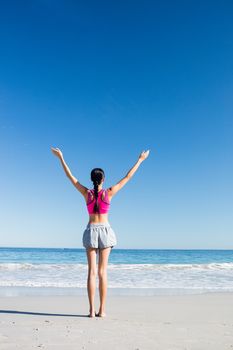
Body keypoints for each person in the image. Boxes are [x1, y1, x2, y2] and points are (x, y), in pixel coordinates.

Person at [51, 147, 150, 317]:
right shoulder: (109, 193)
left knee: (91, 272)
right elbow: (128, 177)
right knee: (103, 272)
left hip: (91, 231)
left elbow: (70, 177)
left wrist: (61, 158)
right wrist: (140, 160)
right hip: (105, 231)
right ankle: (102, 310)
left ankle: (91, 311)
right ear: (103, 179)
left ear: (91, 179)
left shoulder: (86, 193)